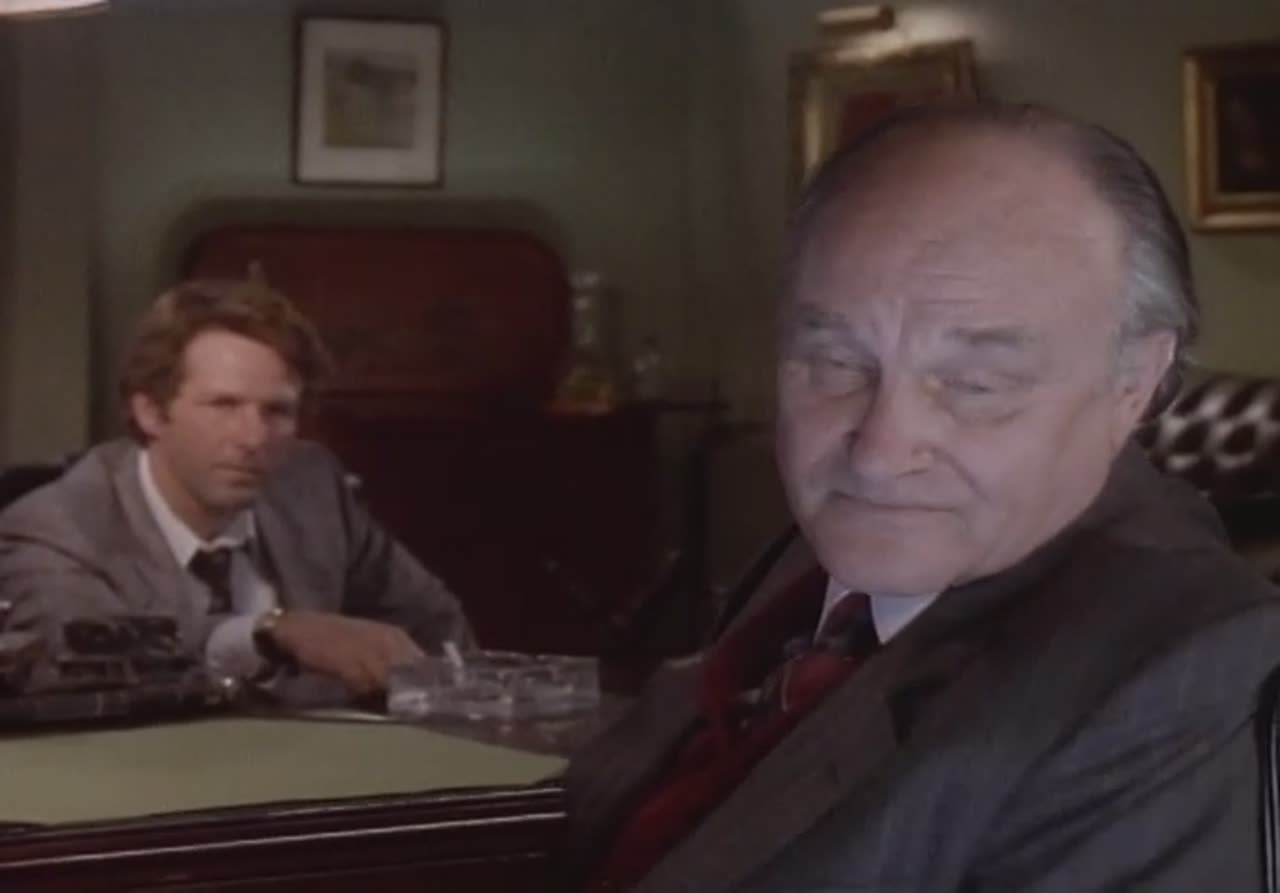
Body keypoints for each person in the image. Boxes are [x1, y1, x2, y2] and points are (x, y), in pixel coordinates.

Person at [563, 102, 1280, 891]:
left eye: (976, 382)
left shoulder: (1183, 673)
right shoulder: (835, 552)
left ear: (1133, 382)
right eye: (835, 361)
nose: (879, 453)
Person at [0, 278, 473, 699]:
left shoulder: (310, 488)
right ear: (150, 412)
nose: (253, 438)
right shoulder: (55, 528)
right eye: (223, 405)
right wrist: (269, 633)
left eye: (277, 411)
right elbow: (87, 659)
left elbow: (434, 623)